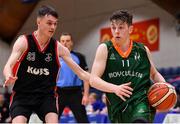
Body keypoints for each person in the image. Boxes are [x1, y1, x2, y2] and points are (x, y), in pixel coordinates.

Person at [3, 5, 89, 123]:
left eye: (55, 24)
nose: (53, 27)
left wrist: (109, 87)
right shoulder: (24, 42)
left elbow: (82, 74)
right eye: (49, 23)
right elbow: (8, 66)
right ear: (38, 22)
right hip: (23, 95)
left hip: (46, 97)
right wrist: (8, 75)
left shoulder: (58, 48)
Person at [89, 10, 166, 123]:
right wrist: (115, 88)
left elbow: (154, 73)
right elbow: (93, 80)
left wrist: (165, 87)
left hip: (141, 101)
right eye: (113, 27)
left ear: (130, 29)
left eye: (121, 27)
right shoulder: (105, 49)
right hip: (117, 107)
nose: (116, 31)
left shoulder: (143, 50)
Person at [57, 33, 89, 123]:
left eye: (67, 41)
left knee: (83, 120)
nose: (65, 43)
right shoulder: (54, 57)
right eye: (62, 41)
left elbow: (86, 77)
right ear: (59, 43)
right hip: (58, 92)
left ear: (71, 42)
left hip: (75, 93)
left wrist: (86, 95)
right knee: (50, 119)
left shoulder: (79, 57)